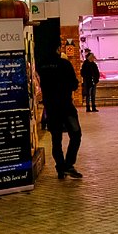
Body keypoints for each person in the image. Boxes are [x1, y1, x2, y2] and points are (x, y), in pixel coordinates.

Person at [38, 52, 83, 180]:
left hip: (51, 109)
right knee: (76, 135)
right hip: (66, 107)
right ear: (58, 49)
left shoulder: (41, 66)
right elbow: (74, 84)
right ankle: (68, 164)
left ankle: (60, 167)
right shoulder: (65, 64)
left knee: (56, 140)